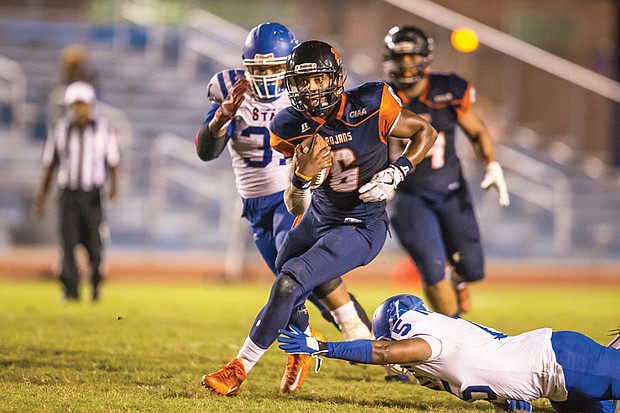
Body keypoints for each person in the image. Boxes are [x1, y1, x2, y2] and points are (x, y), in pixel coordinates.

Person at [201, 39, 437, 396]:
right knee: (284, 272)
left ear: (335, 78)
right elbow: (295, 205)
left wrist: (397, 171)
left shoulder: (370, 104)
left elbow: (425, 131)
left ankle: (238, 368)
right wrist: (300, 179)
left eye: (317, 80)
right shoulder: (288, 124)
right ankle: (302, 343)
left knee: (290, 280)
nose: (310, 91)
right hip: (318, 216)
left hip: (362, 224)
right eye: (301, 82)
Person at [278, 294, 620, 413]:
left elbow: (383, 352)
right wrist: (505, 399)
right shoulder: (429, 359)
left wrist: (322, 347)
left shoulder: (428, 341)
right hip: (556, 386)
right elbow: (479, 370)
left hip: (561, 362)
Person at [382, 26, 510, 317]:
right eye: (399, 57)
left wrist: (492, 165)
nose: (405, 64)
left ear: (425, 59)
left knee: (473, 268)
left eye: (412, 57)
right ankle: (452, 335)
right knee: (432, 266)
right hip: (407, 196)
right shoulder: (380, 98)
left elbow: (477, 131)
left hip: (451, 189)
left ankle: (461, 279)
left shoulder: (448, 90)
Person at [32, 81, 120, 302]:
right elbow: (49, 165)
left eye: (83, 104)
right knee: (68, 242)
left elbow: (113, 162)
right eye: (75, 105)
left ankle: (96, 286)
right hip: (68, 194)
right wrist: (41, 198)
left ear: (91, 105)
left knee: (94, 243)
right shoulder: (59, 129)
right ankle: (70, 290)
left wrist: (113, 188)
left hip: (93, 194)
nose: (79, 109)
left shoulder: (103, 128)